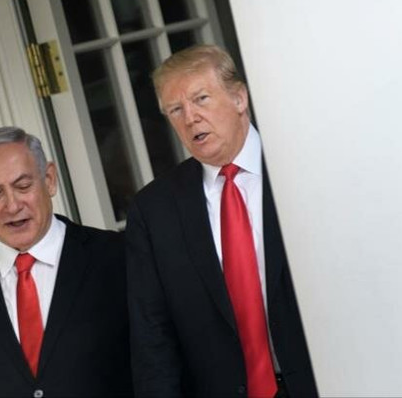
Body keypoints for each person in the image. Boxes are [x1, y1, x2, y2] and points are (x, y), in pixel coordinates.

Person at [126, 45, 317, 397]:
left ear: (239, 97)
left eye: (201, 99)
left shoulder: (305, 167)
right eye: (176, 109)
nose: (190, 117)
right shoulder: (154, 211)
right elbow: (153, 338)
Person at [0, 127, 133, 397]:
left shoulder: (117, 256)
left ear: (49, 180)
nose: (12, 205)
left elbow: (157, 365)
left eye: (23, 186)